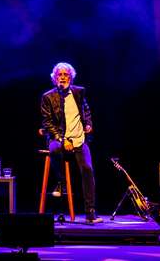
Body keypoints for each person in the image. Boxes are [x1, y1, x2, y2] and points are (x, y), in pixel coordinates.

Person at [40, 62, 102, 224]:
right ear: (54, 78)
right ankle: (62, 182)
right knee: (54, 151)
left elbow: (85, 109)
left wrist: (88, 123)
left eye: (66, 74)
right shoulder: (48, 97)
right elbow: (47, 123)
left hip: (79, 138)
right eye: (59, 75)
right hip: (59, 138)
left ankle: (90, 212)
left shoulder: (79, 92)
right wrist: (62, 139)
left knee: (88, 169)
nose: (62, 77)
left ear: (71, 77)